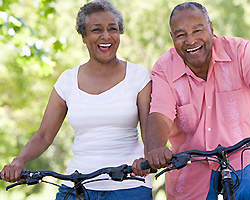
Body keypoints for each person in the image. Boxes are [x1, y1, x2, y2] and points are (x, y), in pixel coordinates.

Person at [142, 2, 250, 200]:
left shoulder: (239, 51)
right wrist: (156, 147)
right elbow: (160, 115)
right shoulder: (164, 68)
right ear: (172, 37)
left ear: (211, 28)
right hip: (190, 163)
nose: (190, 40)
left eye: (197, 30)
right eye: (181, 35)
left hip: (245, 156)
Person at [0, 0, 152, 199]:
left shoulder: (138, 75)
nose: (106, 36)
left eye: (112, 29)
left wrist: (148, 159)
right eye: (97, 30)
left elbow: (150, 129)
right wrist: (19, 160)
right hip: (77, 186)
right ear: (83, 36)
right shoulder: (67, 80)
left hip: (130, 185)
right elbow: (45, 135)